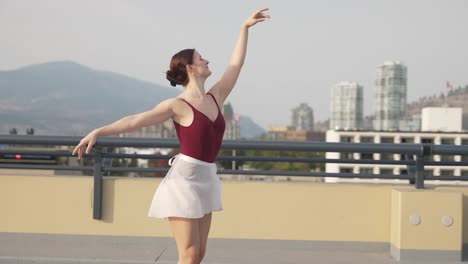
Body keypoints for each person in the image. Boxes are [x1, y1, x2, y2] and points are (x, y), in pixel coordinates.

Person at [72, 8, 270, 264]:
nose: (207, 61)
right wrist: (99, 131)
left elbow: (236, 64)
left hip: (207, 178)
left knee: (198, 255)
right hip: (184, 183)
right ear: (190, 67)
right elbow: (135, 120)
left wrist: (244, 28)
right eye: (201, 58)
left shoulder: (216, 96)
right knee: (188, 254)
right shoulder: (176, 105)